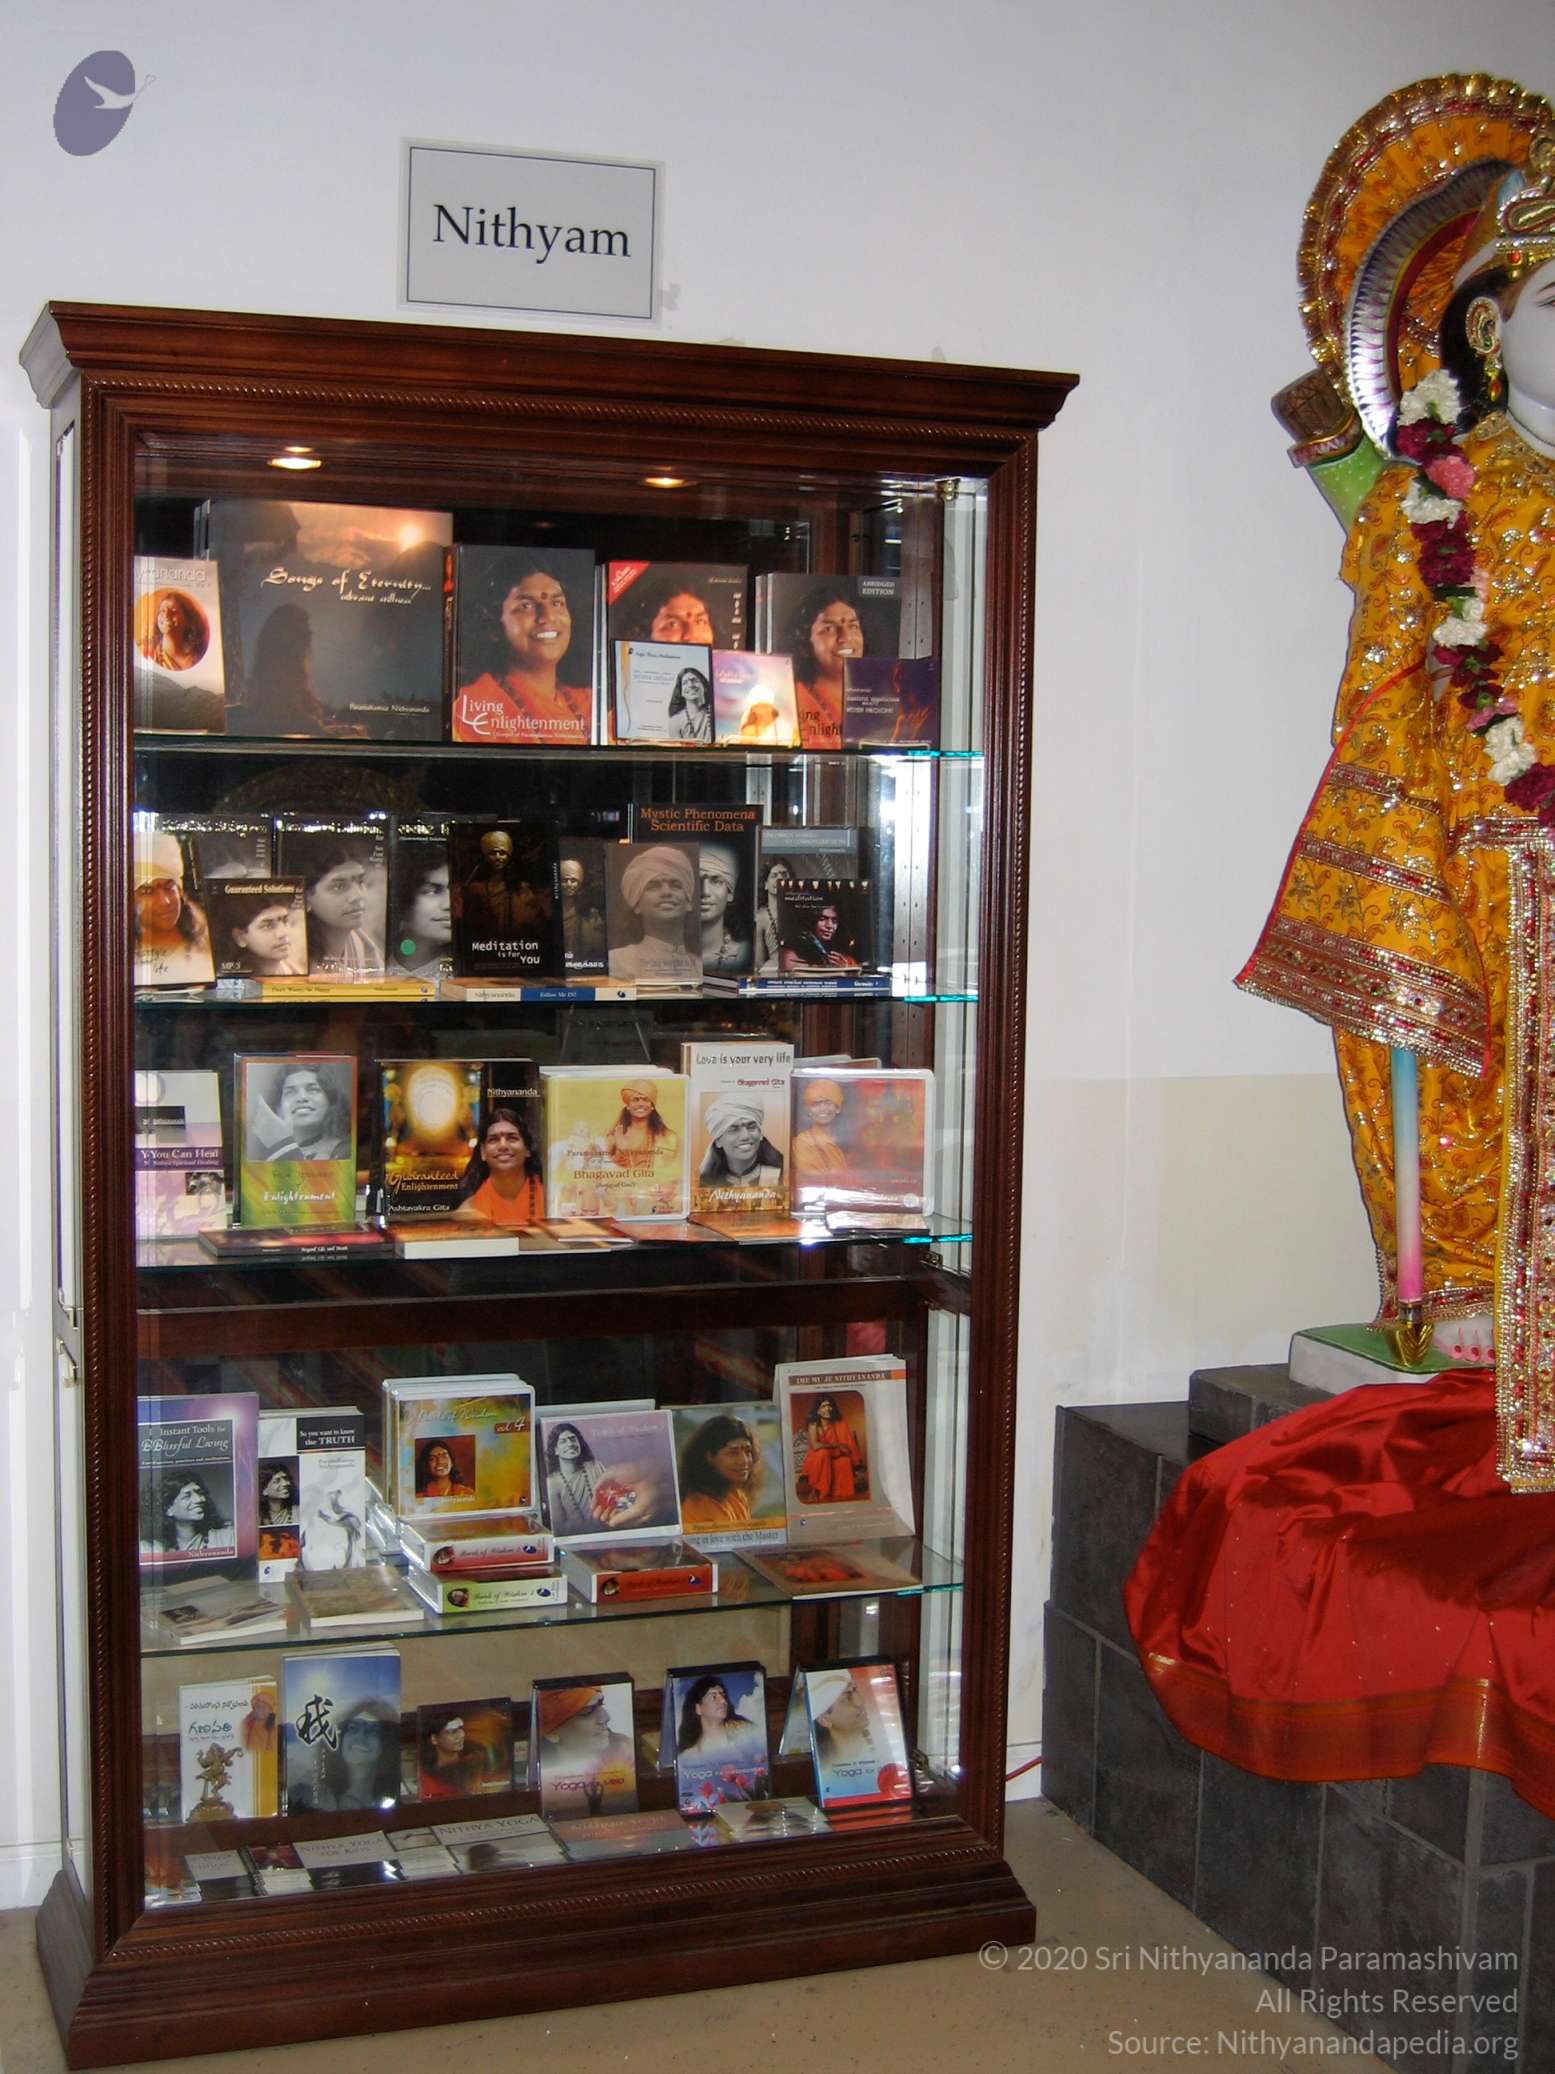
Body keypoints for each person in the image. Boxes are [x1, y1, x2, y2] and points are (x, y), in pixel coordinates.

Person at [1236, 136, 1555, 1484]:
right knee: (1461, 1067)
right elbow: (1392, 672)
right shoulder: (1440, 490)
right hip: (1479, 837)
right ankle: (1464, 1290)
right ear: (1487, 328)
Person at [454, 558, 591, 743]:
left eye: (557, 603)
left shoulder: (590, 705)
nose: (548, 617)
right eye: (526, 606)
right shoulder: (473, 709)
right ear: (493, 628)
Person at [243, 602, 359, 737]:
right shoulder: (272, 678)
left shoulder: (295, 675)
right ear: (284, 635)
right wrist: (326, 731)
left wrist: (329, 726)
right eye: (302, 630)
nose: (310, 634)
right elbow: (284, 721)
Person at [535, 1684, 636, 1817]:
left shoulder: (626, 1751)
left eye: (601, 1704)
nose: (605, 1717)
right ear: (551, 1733)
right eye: (587, 1711)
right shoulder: (540, 1784)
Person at [788, 583, 866, 749]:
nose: (845, 638)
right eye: (829, 629)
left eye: (853, 626)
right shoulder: (792, 703)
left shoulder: (878, 700)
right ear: (804, 646)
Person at [132, 829, 214, 985]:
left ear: (180, 890)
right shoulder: (117, 952)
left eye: (169, 887)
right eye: (148, 891)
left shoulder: (205, 941)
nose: (165, 901)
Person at [292, 1697, 401, 1813]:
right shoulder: (305, 1796)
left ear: (386, 1745)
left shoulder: (395, 1805)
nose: (360, 1737)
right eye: (353, 1728)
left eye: (373, 1731)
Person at [608, 846, 700, 982]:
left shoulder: (700, 966)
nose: (666, 892)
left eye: (675, 885)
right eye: (653, 886)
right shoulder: (617, 962)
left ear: (688, 903)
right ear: (637, 905)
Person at [301, 843, 384, 977]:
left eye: (360, 882)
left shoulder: (364, 946)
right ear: (305, 898)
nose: (358, 896)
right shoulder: (295, 958)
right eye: (338, 886)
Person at [455, 1105, 545, 1226]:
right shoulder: (468, 1212)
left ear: (527, 1149)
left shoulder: (552, 1201)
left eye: (512, 1138)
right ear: (483, 1152)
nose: (503, 1146)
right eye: (493, 1140)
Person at [678, 1413, 762, 1529]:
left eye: (748, 1451)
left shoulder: (737, 1496)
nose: (745, 1461)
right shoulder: (698, 1506)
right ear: (709, 1457)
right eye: (733, 1453)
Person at [461, 828, 547, 938]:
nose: (498, 857)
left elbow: (536, 925)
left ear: (509, 856)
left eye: (502, 853)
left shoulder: (523, 890)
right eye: (493, 853)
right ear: (485, 856)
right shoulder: (476, 889)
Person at [256, 1063, 352, 1162]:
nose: (302, 1097)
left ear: (330, 1100)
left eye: (313, 1090)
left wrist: (283, 1148)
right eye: (290, 1092)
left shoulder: (345, 1151)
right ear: (278, 1107)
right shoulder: (263, 1156)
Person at [697, 1095, 783, 1197]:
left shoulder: (781, 1175)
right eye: (734, 1129)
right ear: (718, 1141)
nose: (745, 1136)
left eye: (751, 1127)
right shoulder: (705, 1182)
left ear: (760, 1134)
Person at [138, 1469, 233, 1556]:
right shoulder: (149, 1549)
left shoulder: (227, 1537)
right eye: (187, 1496)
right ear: (168, 1509)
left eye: (199, 1493)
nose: (200, 1499)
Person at [388, 852, 452, 978]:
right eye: (431, 891)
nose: (449, 904)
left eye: (455, 890)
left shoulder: (466, 974)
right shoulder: (371, 961)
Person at [797, 1393, 864, 1503]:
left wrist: (854, 1461)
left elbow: (846, 1443)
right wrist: (837, 1445)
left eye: (829, 1405)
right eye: (823, 1406)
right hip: (817, 1457)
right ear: (818, 1410)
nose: (827, 1408)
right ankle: (817, 1489)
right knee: (823, 1453)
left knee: (844, 1461)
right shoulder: (813, 1424)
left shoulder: (838, 1422)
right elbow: (815, 1446)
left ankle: (834, 1491)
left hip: (834, 1454)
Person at [542, 1423, 608, 1535]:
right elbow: (559, 1526)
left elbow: (613, 1499)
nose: (570, 1444)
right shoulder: (552, 1483)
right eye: (563, 1441)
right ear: (555, 1450)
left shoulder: (595, 1466)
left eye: (573, 1439)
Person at [675, 1675, 761, 1760]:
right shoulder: (688, 1757)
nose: (723, 1701)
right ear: (698, 1708)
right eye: (714, 1697)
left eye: (723, 1695)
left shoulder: (747, 1737)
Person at [698, 844, 750, 974]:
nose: (705, 892)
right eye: (697, 881)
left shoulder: (744, 953)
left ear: (730, 893)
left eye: (716, 881)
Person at [227, 892, 306, 978]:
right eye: (267, 926)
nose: (283, 933)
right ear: (239, 937)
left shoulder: (292, 970)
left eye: (285, 920)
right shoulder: (235, 980)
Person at [781, 899, 861, 973]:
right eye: (822, 919)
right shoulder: (793, 951)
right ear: (812, 920)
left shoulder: (842, 956)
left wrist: (845, 968)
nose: (829, 926)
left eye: (834, 921)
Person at [141, 589, 208, 672]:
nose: (166, 615)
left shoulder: (197, 660)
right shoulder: (148, 655)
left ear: (187, 619)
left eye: (173, 610)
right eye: (162, 610)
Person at [793, 1079, 849, 1178]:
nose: (823, 1109)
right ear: (808, 1110)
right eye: (816, 1104)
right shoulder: (802, 1143)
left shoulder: (843, 1141)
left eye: (828, 1103)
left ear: (838, 1108)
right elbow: (812, 1178)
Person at [558, 855, 606, 968]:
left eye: (573, 880)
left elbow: (597, 948)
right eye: (564, 880)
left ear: (580, 883)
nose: (569, 884)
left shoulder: (591, 914)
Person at [754, 857, 790, 973]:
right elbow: (759, 963)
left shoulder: (801, 909)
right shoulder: (760, 917)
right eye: (774, 876)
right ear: (765, 884)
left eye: (784, 874)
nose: (780, 878)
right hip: (771, 972)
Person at [667, 666, 714, 744]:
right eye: (685, 683)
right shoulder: (675, 722)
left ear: (703, 685)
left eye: (694, 680)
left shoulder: (715, 714)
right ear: (680, 692)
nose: (690, 685)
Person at [258, 1463, 297, 1528]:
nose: (286, 1483)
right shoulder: (257, 1516)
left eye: (286, 1478)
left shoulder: (297, 1511)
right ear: (264, 1490)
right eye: (277, 1481)